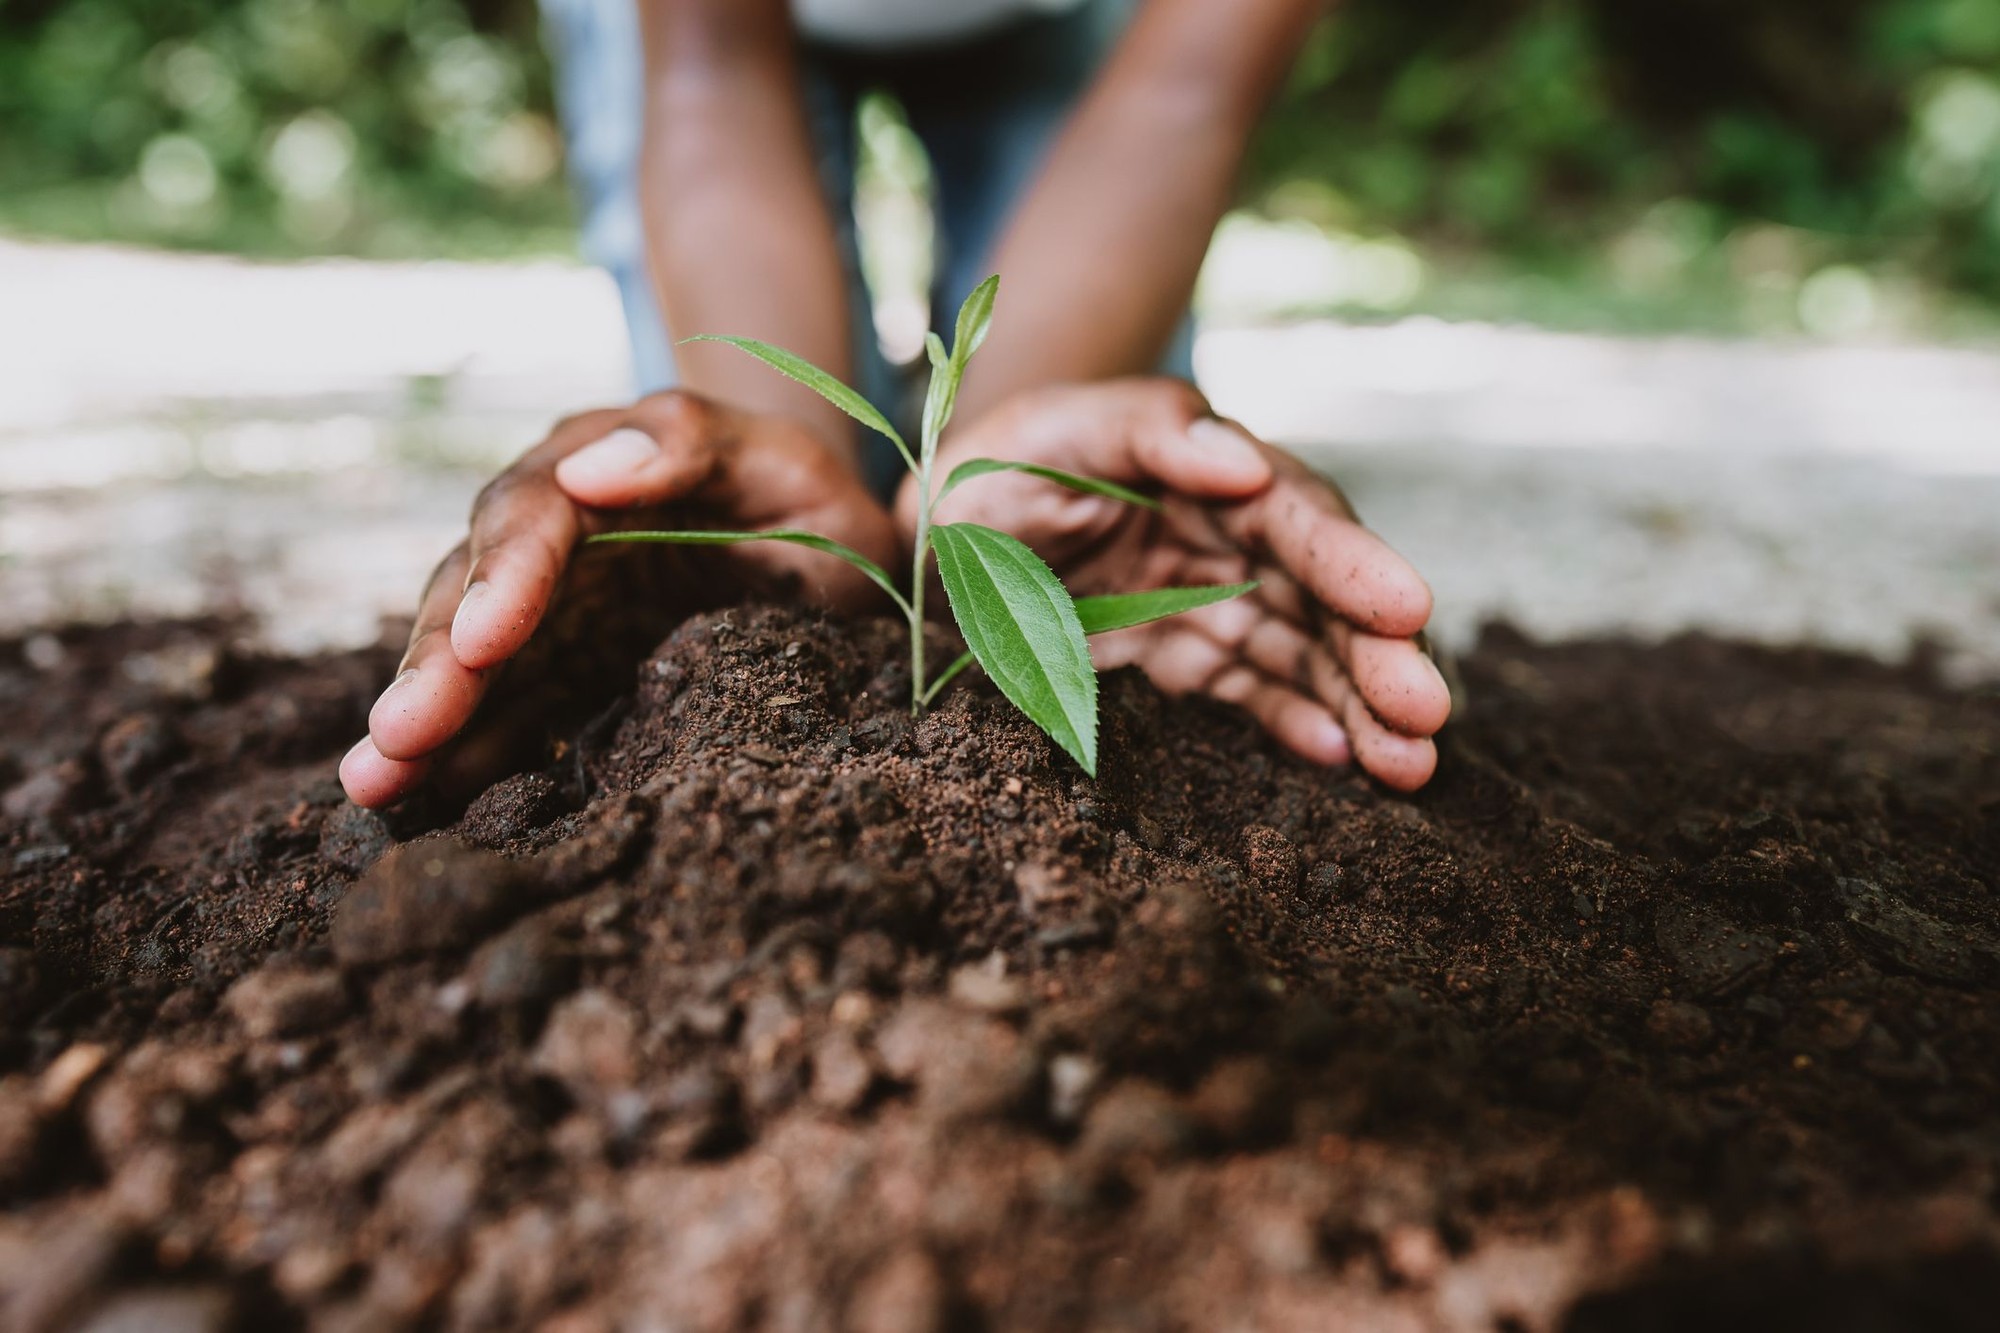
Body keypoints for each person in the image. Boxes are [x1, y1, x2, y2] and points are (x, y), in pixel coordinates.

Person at [338, 0, 1451, 809]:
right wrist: (787, 503)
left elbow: (1185, 85)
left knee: (1098, 442)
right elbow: (708, 69)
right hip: (704, 40)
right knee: (736, 473)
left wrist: (988, 490)